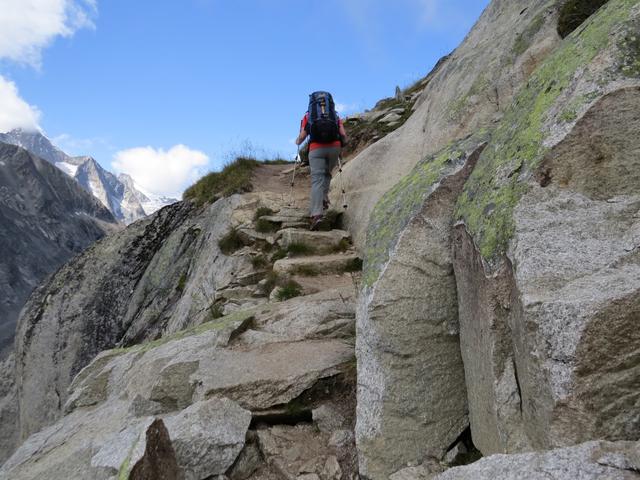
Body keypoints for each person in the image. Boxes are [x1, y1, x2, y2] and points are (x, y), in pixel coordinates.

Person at [295, 92, 348, 231]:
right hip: (334, 148)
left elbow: (302, 137)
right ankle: (324, 197)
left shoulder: (308, 116)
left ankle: (317, 215)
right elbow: (343, 135)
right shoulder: (334, 115)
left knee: (317, 179)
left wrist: (297, 141)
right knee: (327, 174)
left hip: (316, 148)